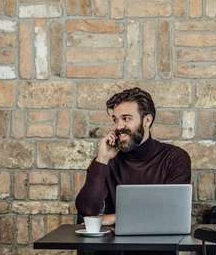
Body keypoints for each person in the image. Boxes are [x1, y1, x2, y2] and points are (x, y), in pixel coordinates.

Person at [75, 87, 191, 226]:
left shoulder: (175, 158)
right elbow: (87, 211)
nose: (118, 126)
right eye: (115, 120)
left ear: (147, 121)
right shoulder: (108, 160)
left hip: (160, 243)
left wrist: (116, 218)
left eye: (126, 118)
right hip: (115, 244)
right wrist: (102, 160)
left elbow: (173, 211)